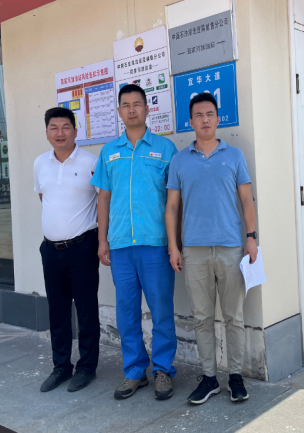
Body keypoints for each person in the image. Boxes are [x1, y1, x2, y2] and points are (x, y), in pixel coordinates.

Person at [165, 93, 258, 405]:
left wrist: (251, 237)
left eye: (209, 114)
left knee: (234, 316)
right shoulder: (179, 160)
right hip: (194, 250)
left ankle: (235, 376)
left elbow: (246, 200)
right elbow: (172, 207)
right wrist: (174, 246)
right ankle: (209, 378)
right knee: (202, 317)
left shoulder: (234, 156)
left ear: (218, 119)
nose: (204, 119)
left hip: (231, 247)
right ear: (190, 122)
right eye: (198, 115)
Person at [91, 84, 179, 401]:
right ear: (119, 111)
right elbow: (103, 198)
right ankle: (134, 371)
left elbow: (175, 201)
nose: (131, 109)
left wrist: (175, 242)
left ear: (147, 108)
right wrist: (102, 240)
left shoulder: (165, 149)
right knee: (126, 312)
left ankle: (163, 370)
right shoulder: (109, 152)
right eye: (125, 105)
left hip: (155, 244)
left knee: (161, 310)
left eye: (137, 104)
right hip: (120, 246)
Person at [34, 107, 100, 393]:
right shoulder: (40, 163)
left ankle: (87, 367)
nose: (59, 133)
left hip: (82, 247)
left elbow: (103, 203)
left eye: (65, 127)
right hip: (50, 250)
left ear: (75, 130)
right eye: (54, 127)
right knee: (57, 311)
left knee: (86, 310)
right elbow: (44, 198)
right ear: (47, 132)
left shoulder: (91, 162)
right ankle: (61, 366)